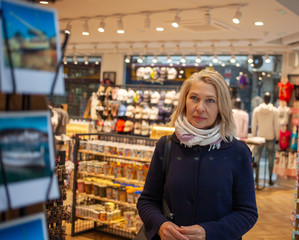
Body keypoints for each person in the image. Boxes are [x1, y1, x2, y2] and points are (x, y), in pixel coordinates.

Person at [137, 70, 258, 240]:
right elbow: (147, 201)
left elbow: (247, 212)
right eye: (194, 98)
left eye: (210, 100)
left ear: (221, 107)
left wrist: (209, 232)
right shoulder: (166, 146)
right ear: (184, 101)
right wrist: (160, 225)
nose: (200, 108)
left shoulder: (238, 153)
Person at [251, 92, 279, 186]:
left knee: (258, 156)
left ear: (263, 99)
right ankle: (270, 179)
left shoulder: (257, 110)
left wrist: (254, 136)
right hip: (270, 136)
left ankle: (256, 178)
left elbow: (254, 124)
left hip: (260, 136)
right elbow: (276, 125)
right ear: (270, 99)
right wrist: (277, 137)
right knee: (271, 157)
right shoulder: (274, 110)